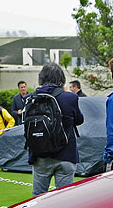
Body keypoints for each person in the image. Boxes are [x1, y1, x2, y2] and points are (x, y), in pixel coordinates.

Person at [29, 63, 85, 196]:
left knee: (38, 197)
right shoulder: (70, 98)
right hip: (66, 153)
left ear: (41, 78)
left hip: (40, 154)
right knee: (65, 199)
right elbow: (79, 120)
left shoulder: (32, 98)